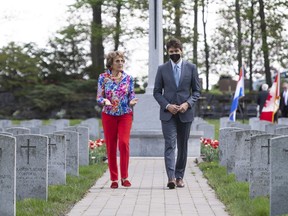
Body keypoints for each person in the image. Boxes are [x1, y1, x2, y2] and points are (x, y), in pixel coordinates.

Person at [153, 38, 201, 189]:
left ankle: (180, 176)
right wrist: (167, 105)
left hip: (185, 113)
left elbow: (197, 91)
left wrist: (188, 103)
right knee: (170, 144)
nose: (174, 54)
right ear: (168, 52)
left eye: (177, 51)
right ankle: (171, 178)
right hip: (168, 114)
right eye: (171, 52)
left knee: (182, 145)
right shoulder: (162, 69)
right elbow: (157, 92)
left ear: (181, 51)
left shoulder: (191, 68)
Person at [96, 51, 138, 189]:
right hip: (108, 115)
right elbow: (99, 97)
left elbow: (132, 94)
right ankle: (114, 178)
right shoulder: (103, 78)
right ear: (111, 64)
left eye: (122, 61)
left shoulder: (129, 78)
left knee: (124, 143)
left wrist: (132, 101)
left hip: (125, 114)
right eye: (117, 61)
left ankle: (124, 177)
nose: (120, 63)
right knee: (111, 146)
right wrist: (104, 101)